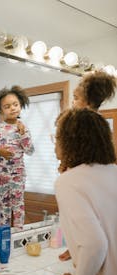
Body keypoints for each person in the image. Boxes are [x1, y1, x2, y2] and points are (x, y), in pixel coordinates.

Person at [54, 108, 117, 275]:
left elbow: (95, 244)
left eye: (57, 137)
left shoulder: (69, 181)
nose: (55, 144)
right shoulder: (114, 172)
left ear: (69, 141)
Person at [59, 70, 117, 261]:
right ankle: (76, 247)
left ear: (88, 101)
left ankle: (79, 249)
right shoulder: (97, 123)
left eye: (75, 98)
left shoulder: (83, 124)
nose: (72, 102)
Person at [0, 85, 34, 229]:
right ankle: (3, 236)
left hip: (18, 174)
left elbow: (30, 150)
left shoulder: (23, 127)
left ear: (21, 105)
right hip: (1, 175)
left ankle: (18, 234)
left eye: (15, 104)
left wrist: (23, 134)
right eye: (7, 106)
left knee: (18, 205)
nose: (13, 108)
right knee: (4, 207)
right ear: (0, 110)